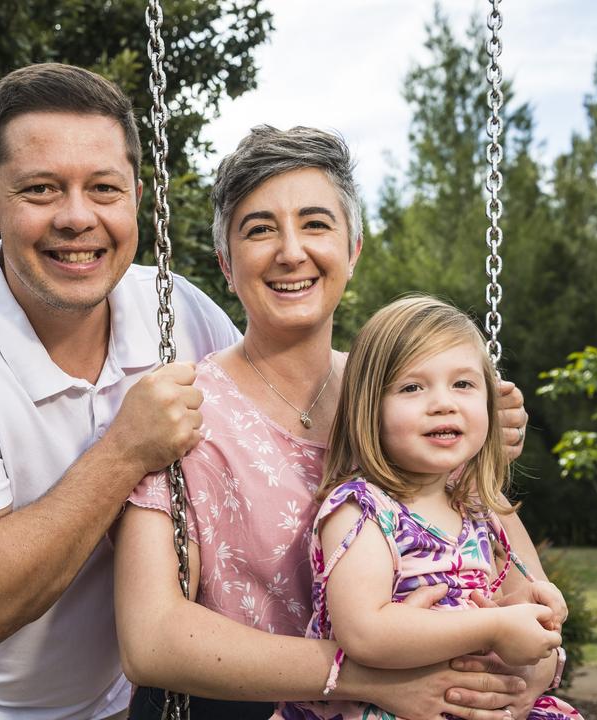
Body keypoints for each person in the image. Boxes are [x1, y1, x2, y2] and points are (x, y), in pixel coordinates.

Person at [0, 64, 532, 718]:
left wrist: (460, 416)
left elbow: (517, 578)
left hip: (107, 705)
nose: (77, 217)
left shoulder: (181, 314)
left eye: (103, 188)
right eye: (40, 189)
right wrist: (125, 449)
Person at [114, 126, 560, 720]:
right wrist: (367, 680)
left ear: (352, 250)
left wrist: (523, 676)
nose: (291, 251)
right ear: (226, 261)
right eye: (260, 229)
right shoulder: (183, 411)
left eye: (316, 224)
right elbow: (149, 642)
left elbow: (517, 579)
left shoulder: (412, 405)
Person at [276, 295, 581, 720]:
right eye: (412, 387)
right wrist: (493, 628)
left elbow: (512, 617)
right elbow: (365, 632)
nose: (443, 402)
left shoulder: (475, 509)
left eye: (463, 384)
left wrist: (535, 611)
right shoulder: (363, 509)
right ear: (370, 410)